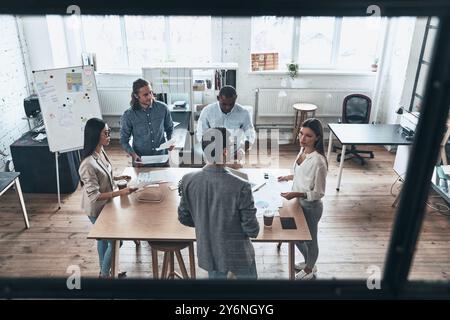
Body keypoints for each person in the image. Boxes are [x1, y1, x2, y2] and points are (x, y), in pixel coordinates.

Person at [178, 127, 259, 279]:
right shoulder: (242, 185)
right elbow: (252, 230)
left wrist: (208, 223)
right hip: (238, 254)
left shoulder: (188, 180)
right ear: (224, 152)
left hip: (209, 252)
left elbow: (184, 217)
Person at [79, 118, 138, 278]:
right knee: (116, 241)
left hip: (107, 205)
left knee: (103, 240)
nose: (109, 135)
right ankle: (105, 275)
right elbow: (95, 195)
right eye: (106, 133)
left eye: (108, 132)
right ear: (95, 136)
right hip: (96, 209)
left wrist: (118, 177)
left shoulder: (100, 150)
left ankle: (106, 269)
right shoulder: (87, 164)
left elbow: (104, 174)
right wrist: (121, 192)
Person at [277, 118, 327, 280]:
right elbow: (301, 174)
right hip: (298, 203)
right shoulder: (303, 151)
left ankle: (309, 268)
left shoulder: (319, 162)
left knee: (310, 240)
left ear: (317, 137)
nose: (302, 138)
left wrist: (296, 194)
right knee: (295, 236)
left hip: (311, 207)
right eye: (301, 133)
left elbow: (319, 192)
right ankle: (309, 262)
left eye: (308, 136)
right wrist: (288, 177)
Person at [120, 78, 174, 167]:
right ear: (136, 96)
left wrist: (170, 140)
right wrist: (134, 155)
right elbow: (124, 140)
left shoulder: (163, 108)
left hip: (161, 158)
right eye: (145, 95)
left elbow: (169, 128)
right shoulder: (128, 115)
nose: (150, 96)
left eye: (151, 92)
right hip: (141, 161)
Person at [196, 86, 255, 161]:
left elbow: (250, 133)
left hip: (235, 154)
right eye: (224, 104)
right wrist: (208, 150)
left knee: (233, 172)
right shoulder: (207, 111)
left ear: (236, 98)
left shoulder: (244, 113)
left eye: (231, 104)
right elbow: (201, 132)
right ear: (218, 98)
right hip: (212, 153)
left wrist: (243, 149)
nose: (227, 107)